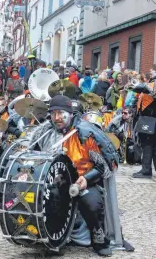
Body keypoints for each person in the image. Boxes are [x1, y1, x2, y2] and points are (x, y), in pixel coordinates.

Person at [32, 95, 119, 257]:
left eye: (61, 113)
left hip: (83, 181)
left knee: (91, 203)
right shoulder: (45, 133)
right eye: (53, 114)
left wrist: (86, 179)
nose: (57, 118)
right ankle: (51, 239)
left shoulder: (85, 133)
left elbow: (104, 164)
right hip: (54, 182)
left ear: (70, 113)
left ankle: (98, 239)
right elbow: (33, 158)